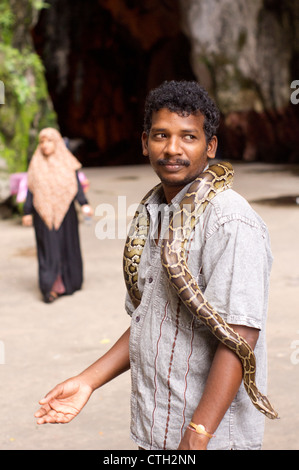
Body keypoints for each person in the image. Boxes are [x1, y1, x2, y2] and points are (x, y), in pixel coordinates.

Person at [34, 81, 273, 450]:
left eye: (189, 137)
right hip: (153, 430)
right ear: (145, 142)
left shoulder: (230, 222)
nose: (173, 149)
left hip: (212, 438)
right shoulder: (153, 214)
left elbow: (239, 337)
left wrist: (198, 435)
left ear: (210, 147)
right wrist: (88, 380)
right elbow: (150, 318)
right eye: (161, 135)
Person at [22, 127, 93, 303]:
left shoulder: (68, 162)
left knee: (66, 246)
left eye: (49, 141)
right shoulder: (36, 164)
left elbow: (75, 185)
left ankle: (69, 283)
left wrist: (84, 204)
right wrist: (27, 211)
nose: (45, 145)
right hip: (42, 214)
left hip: (66, 213)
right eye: (42, 142)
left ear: (58, 142)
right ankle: (50, 287)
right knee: (49, 248)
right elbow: (31, 189)